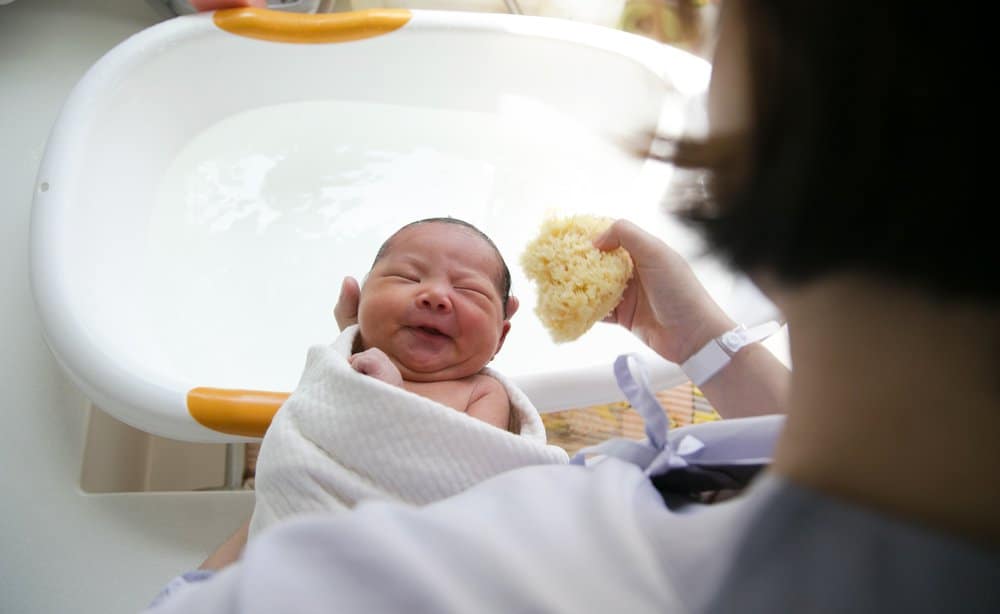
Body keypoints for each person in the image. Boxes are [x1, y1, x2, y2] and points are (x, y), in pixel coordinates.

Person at [144, 1, 999, 612]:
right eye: (405, 278)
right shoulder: (918, 485)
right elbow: (797, 451)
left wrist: (278, 503)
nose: (436, 296)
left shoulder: (439, 577)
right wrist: (702, 338)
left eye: (725, 15)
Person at [244, 217, 566, 539]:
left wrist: (391, 400)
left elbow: (468, 476)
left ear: (500, 338)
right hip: (296, 519)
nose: (436, 296)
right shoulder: (343, 363)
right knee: (249, 534)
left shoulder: (482, 392)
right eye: (407, 277)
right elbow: (301, 451)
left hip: (398, 550)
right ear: (360, 301)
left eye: (468, 290)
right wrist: (354, 343)